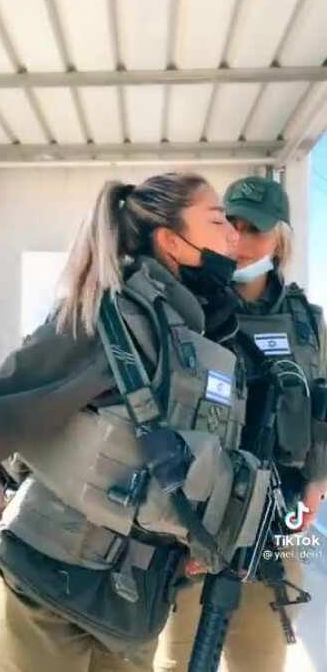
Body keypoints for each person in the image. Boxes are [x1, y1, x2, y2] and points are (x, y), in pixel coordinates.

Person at [0, 171, 264, 672]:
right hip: (43, 598)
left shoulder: (206, 342)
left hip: (132, 615)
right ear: (172, 241)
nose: (234, 235)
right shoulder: (109, 319)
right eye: (217, 221)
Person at [154, 175, 327, 672]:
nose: (242, 238)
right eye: (232, 223)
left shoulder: (306, 320)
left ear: (281, 239)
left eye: (257, 229)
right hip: (196, 518)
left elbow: (321, 402)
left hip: (276, 516)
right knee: (180, 658)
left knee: (261, 657)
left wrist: (317, 479)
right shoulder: (187, 306)